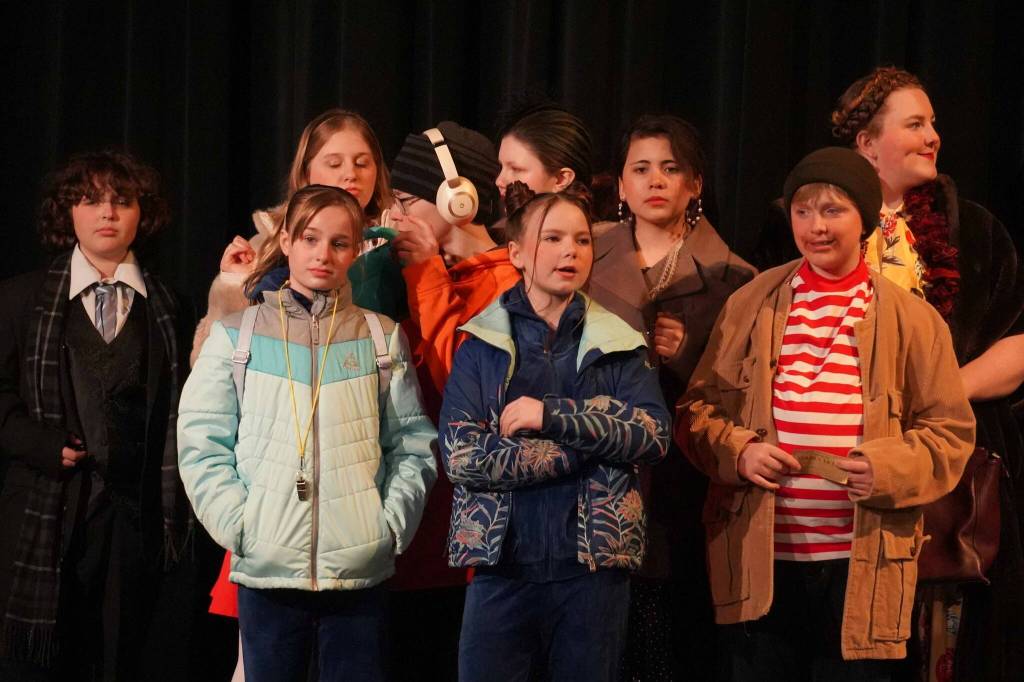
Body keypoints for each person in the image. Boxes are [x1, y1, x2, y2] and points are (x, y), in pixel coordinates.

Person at [679, 147, 975, 680]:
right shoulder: (750, 304)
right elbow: (697, 411)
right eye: (803, 211)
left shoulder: (913, 319)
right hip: (762, 559)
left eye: (833, 211)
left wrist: (886, 469)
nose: (816, 226)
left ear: (863, 217)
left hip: (862, 563)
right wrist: (740, 453)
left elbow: (949, 434)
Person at [177, 184, 436, 682]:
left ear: (357, 250)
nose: (323, 254)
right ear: (289, 241)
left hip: (359, 571)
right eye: (311, 238)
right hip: (267, 571)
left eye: (339, 243)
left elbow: (411, 442)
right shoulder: (238, 334)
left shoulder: (381, 336)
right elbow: (201, 442)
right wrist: (241, 526)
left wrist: (387, 527)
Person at [830, 67, 1024, 682]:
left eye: (933, 123)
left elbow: (1019, 345)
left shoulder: (977, 232)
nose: (933, 137)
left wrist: (940, 396)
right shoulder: (810, 224)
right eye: (916, 124)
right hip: (842, 468)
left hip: (957, 475)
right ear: (867, 144)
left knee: (945, 646)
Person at [440, 181, 671, 682]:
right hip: (503, 570)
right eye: (553, 239)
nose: (571, 251)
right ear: (517, 253)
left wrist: (552, 418)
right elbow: (463, 457)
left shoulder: (618, 341)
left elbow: (652, 435)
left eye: (583, 240)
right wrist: (584, 449)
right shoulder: (482, 342)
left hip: (591, 574)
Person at [0, 150, 195, 681]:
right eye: (91, 200)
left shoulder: (171, 306)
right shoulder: (21, 299)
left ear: (142, 214)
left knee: (124, 660)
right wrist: (39, 443)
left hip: (138, 521)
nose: (106, 212)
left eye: (121, 201)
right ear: (68, 213)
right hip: (48, 514)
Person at [586, 114, 756, 679]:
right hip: (594, 469)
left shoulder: (735, 278)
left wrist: (686, 356)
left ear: (695, 184)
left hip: (680, 483)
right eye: (641, 169)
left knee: (667, 636)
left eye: (670, 168)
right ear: (622, 185)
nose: (655, 180)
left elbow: (743, 393)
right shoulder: (582, 250)